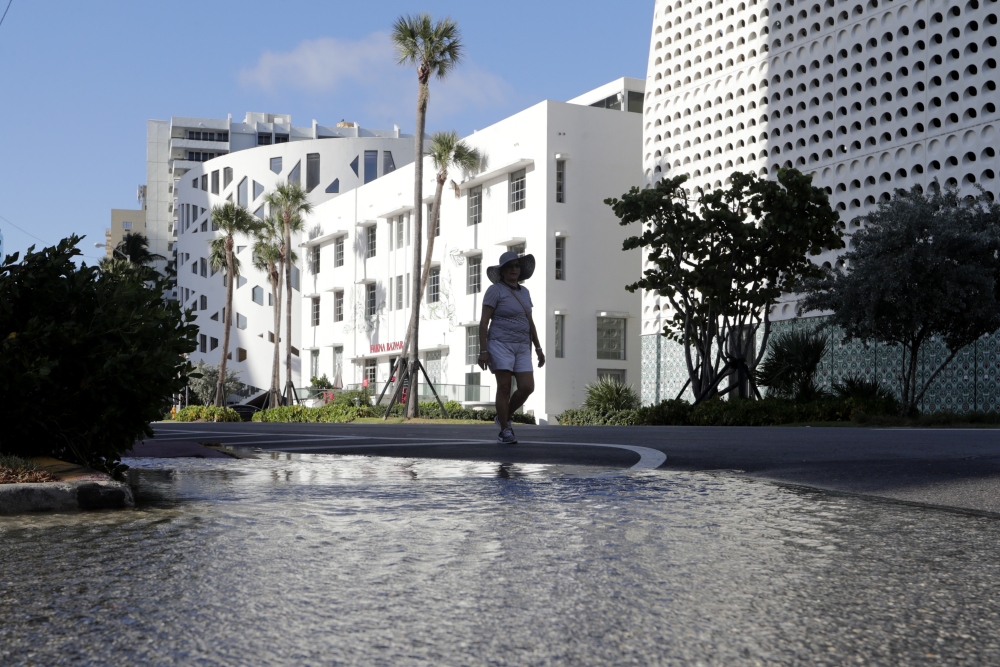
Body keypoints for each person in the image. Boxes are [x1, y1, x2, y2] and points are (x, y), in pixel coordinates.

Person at [478, 251, 545, 444]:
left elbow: (529, 321)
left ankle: (504, 416)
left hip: (523, 345)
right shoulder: (495, 290)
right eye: (510, 266)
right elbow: (483, 323)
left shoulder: (525, 292)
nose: (514, 269)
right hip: (500, 343)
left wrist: (538, 347)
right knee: (505, 386)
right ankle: (505, 431)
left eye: (517, 266)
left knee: (527, 387)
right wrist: (483, 351)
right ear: (502, 271)